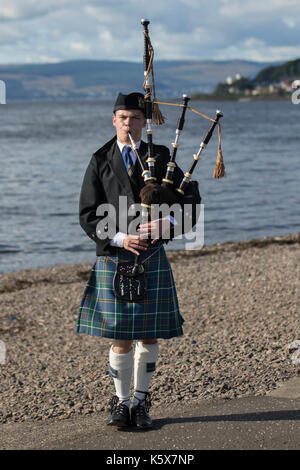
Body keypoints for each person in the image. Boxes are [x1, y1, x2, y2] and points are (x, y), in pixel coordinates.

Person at [76, 92, 201, 429]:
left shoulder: (162, 158)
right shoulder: (100, 159)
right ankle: (120, 402)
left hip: (154, 255)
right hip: (116, 255)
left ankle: (142, 402)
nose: (127, 123)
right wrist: (119, 237)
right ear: (113, 120)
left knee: (148, 335)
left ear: (145, 122)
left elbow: (191, 202)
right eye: (122, 117)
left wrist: (170, 223)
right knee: (120, 334)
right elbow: (87, 214)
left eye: (134, 118)